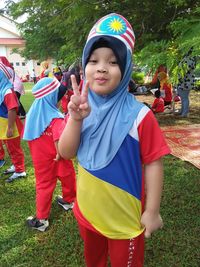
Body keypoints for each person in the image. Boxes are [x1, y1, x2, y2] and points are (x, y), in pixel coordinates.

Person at [58, 13, 171, 267]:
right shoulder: (80, 107)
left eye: (112, 62)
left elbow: (153, 163)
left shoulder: (140, 116)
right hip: (87, 212)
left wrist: (152, 211)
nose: (101, 67)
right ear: (85, 64)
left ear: (126, 67)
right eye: (94, 60)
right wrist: (75, 119)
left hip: (124, 220)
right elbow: (66, 153)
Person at [22, 77, 76, 232]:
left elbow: (30, 137)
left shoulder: (32, 116)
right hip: (60, 158)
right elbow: (60, 143)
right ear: (51, 98)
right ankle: (69, 200)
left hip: (42, 162)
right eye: (57, 98)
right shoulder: (56, 119)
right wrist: (60, 152)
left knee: (44, 186)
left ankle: (41, 218)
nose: (60, 101)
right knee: (68, 177)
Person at [0, 63, 26, 182]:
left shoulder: (7, 91)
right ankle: (16, 166)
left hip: (11, 126)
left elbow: (12, 109)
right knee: (10, 148)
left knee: (14, 148)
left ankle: (20, 171)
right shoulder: (2, 89)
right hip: (5, 125)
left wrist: (10, 127)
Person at [177, 47, 197, 117]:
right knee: (183, 97)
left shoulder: (187, 60)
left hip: (184, 82)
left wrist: (178, 79)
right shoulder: (192, 59)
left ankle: (185, 113)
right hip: (187, 82)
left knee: (184, 98)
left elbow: (183, 72)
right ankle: (183, 111)